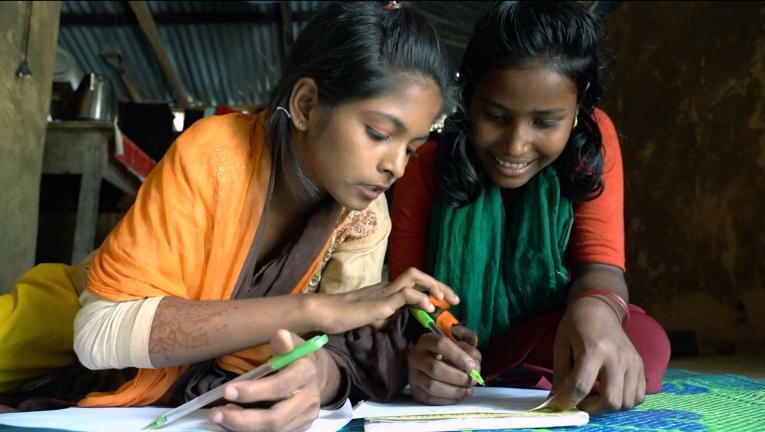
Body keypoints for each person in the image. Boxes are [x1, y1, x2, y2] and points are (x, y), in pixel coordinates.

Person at [0, 2, 460, 430]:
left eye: (411, 148)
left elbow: (338, 347)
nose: (396, 165)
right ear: (305, 105)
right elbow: (99, 332)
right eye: (379, 133)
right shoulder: (216, 153)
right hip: (69, 315)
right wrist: (314, 307)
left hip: (187, 383)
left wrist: (315, 379)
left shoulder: (365, 216)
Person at [389, 1, 671, 414]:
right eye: (496, 115)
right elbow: (406, 290)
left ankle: (531, 369)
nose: (516, 145)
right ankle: (508, 375)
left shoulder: (593, 146)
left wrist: (595, 310)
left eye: (545, 122)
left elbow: (601, 267)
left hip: (550, 330)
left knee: (646, 343)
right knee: (397, 360)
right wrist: (428, 349)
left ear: (579, 110)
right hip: (458, 342)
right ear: (469, 98)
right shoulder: (426, 162)